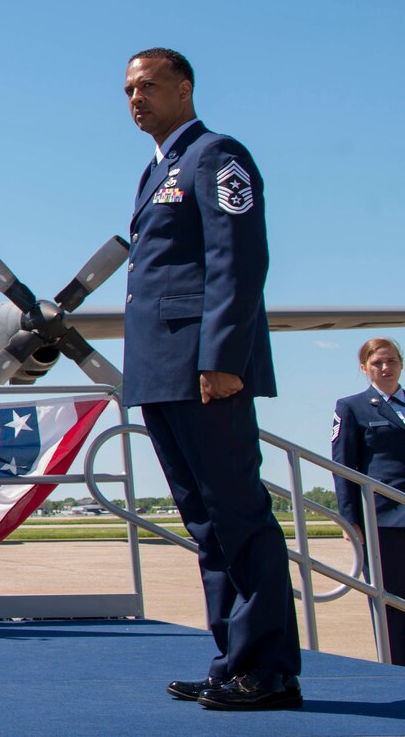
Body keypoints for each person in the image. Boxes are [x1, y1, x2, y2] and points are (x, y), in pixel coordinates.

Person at [120, 48, 299, 711]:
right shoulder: (157, 167)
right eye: (129, 90)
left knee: (239, 515)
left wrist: (221, 356)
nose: (136, 98)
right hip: (163, 371)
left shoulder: (217, 155)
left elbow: (238, 257)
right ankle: (235, 660)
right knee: (205, 523)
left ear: (185, 87)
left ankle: (271, 668)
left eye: (149, 86)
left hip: (205, 368)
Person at [331, 337, 405, 666]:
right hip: (383, 523)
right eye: (377, 363)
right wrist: (350, 520)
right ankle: (397, 669)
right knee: (390, 605)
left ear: (401, 363)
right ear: (365, 368)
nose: (385, 368)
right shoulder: (352, 407)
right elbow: (344, 466)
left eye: (391, 361)